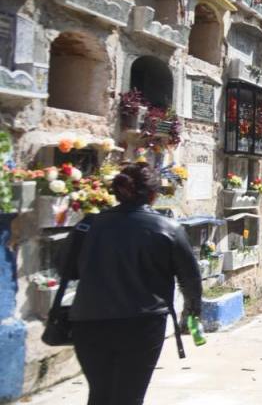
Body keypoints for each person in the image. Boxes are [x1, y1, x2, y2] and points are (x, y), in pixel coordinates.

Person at [62, 163, 203, 405]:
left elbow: (67, 270)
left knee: (99, 394)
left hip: (89, 322)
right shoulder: (168, 228)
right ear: (153, 194)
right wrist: (192, 313)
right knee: (128, 396)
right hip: (141, 325)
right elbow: (190, 278)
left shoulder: (87, 226)